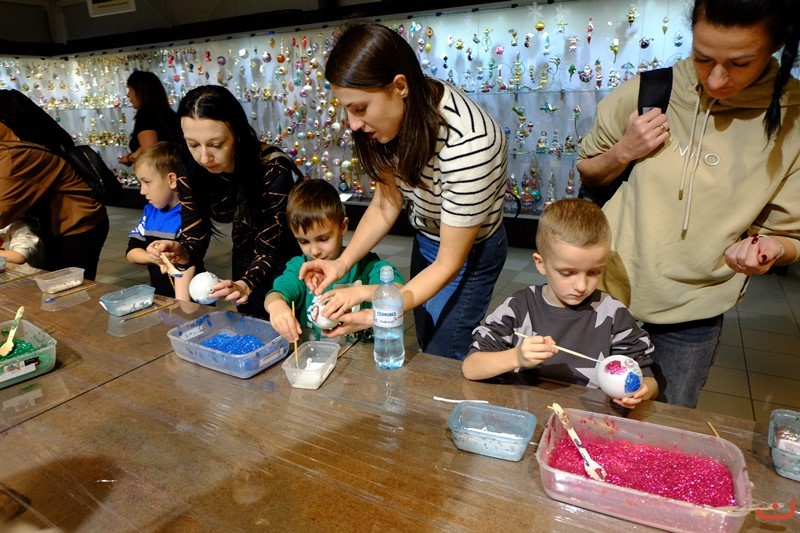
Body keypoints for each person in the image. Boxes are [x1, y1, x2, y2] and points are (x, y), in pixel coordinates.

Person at [575, 0, 800, 408]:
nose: (716, 79)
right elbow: (589, 172)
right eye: (702, 58)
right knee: (584, 409)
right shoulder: (650, 90)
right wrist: (624, 151)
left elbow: (789, 236)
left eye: (740, 63)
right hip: (604, 292)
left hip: (692, 313)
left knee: (665, 417)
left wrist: (770, 249)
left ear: (776, 46)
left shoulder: (793, 118)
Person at [299, 22, 509, 360]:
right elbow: (387, 202)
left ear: (400, 86)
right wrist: (341, 263)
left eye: (360, 108)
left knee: (444, 353)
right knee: (426, 334)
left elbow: (448, 263)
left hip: (470, 249)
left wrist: (379, 309)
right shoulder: (393, 120)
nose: (353, 123)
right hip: (428, 235)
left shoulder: (470, 145)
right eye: (346, 108)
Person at [463, 199, 656, 409]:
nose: (581, 286)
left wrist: (640, 391)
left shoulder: (614, 314)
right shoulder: (518, 307)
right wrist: (516, 357)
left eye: (594, 272)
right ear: (541, 263)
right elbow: (471, 367)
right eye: (567, 273)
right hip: (524, 416)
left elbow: (649, 380)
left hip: (587, 419)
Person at [147, 85, 302, 318]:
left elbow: (270, 246)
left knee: (285, 317)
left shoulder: (272, 168)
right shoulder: (188, 168)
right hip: (244, 244)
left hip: (288, 250)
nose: (204, 157)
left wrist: (247, 283)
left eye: (216, 145)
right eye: (193, 144)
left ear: (237, 133)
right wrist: (181, 251)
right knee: (248, 316)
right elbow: (195, 235)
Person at [265, 179, 404, 342]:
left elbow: (399, 291)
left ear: (343, 226)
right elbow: (276, 294)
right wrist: (276, 306)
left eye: (323, 239)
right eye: (303, 241)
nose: (314, 251)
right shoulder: (300, 268)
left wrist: (360, 293)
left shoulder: (367, 265)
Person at [0, 123, 109, 279]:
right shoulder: (13, 149)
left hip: (77, 225)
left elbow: (2, 211)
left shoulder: (16, 155)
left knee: (71, 284)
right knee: (55, 281)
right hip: (55, 225)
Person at [126, 142, 196, 300]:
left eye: (147, 182)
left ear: (172, 180)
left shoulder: (190, 216)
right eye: (140, 183)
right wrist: (154, 259)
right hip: (161, 296)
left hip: (188, 300)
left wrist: (182, 305)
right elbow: (131, 252)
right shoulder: (150, 212)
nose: (142, 191)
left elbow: (186, 263)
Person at [118, 71, 181, 167]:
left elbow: (149, 149)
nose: (128, 94)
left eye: (130, 89)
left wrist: (130, 157)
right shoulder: (167, 113)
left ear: (140, 92)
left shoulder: (146, 115)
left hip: (161, 170)